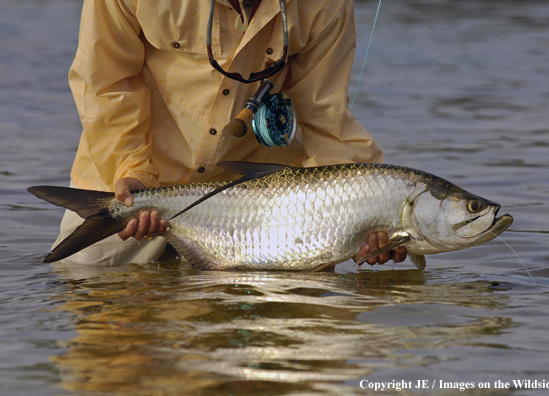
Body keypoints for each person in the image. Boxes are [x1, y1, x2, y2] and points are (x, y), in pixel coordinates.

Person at [56, 0, 407, 267]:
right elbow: (103, 83)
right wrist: (133, 171)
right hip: (123, 174)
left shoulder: (327, 6)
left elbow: (326, 118)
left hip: (256, 204)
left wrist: (367, 217)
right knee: (98, 320)